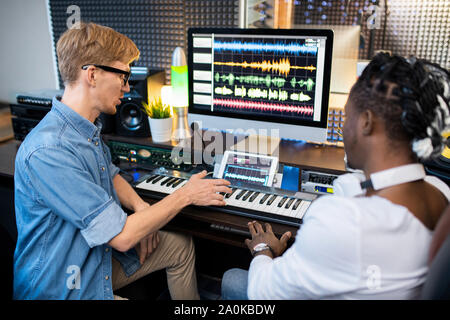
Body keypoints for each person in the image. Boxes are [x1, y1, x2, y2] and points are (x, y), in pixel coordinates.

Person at [13, 22, 231, 300]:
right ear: (92, 74)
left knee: (180, 246)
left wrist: (141, 208)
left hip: (93, 258)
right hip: (61, 288)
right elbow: (123, 237)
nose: (127, 88)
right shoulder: (50, 151)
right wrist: (185, 194)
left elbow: (111, 174)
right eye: (123, 76)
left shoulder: (84, 128)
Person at [221, 53, 450, 300]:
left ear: (366, 122)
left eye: (346, 116)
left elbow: (262, 293)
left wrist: (263, 249)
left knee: (233, 279)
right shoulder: (441, 191)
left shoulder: (343, 220)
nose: (342, 128)